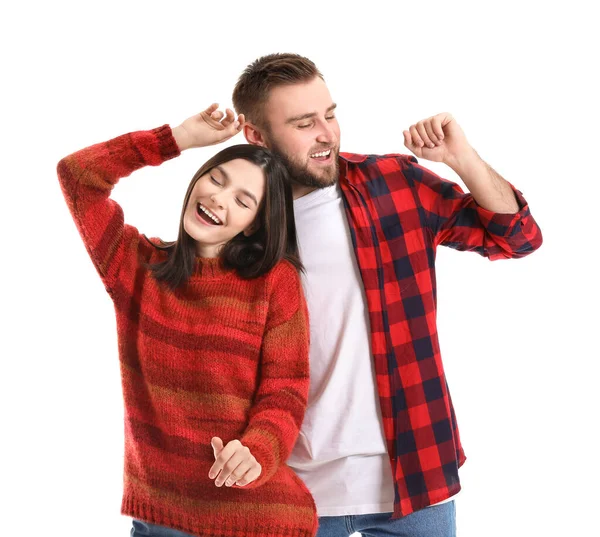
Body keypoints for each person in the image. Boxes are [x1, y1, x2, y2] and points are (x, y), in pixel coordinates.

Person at [231, 53, 543, 537]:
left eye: (330, 115)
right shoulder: (236, 225)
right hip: (291, 488)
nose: (327, 134)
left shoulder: (393, 184)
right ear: (256, 136)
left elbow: (516, 237)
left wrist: (463, 159)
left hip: (414, 477)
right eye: (303, 122)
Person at [57, 104, 319, 537]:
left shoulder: (275, 281)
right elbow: (77, 175)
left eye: (243, 200)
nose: (218, 198)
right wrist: (176, 139)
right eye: (216, 179)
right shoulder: (134, 265)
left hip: (257, 519)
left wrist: (258, 449)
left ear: (254, 225)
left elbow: (287, 386)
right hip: (160, 519)